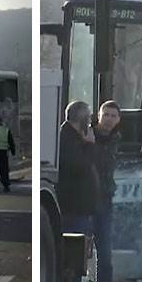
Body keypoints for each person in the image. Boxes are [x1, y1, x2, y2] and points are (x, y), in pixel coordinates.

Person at [57, 101, 99, 258]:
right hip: (74, 207)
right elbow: (79, 166)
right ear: (82, 119)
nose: (89, 123)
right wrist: (89, 145)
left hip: (78, 207)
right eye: (88, 118)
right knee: (74, 257)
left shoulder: (72, 137)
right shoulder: (69, 138)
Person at [92, 101, 122, 282]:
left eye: (113, 116)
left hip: (105, 200)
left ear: (119, 119)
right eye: (106, 114)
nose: (109, 119)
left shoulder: (118, 140)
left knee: (105, 253)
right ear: (98, 115)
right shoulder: (87, 136)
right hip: (84, 200)